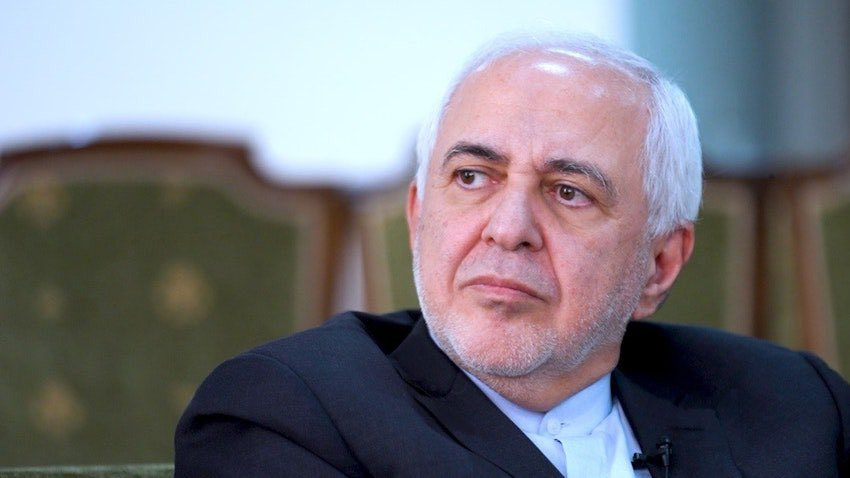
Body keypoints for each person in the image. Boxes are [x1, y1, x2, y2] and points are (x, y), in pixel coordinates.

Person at [175, 32, 850, 477]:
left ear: (659, 265)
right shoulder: (287, 417)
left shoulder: (798, 409)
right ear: (418, 217)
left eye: (568, 192)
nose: (508, 228)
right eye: (473, 177)